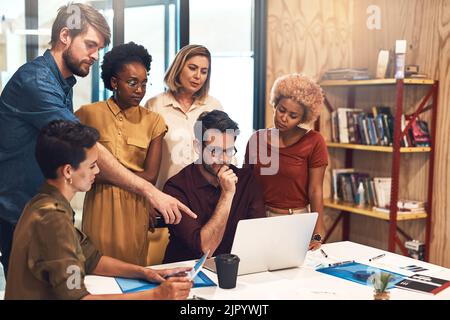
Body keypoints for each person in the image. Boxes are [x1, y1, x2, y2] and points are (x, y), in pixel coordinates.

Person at [0, 3, 195, 276]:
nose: (95, 55)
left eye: (98, 48)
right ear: (65, 36)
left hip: (46, 213)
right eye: (90, 45)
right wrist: (151, 192)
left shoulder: (62, 84)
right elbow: (84, 145)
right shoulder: (36, 82)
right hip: (19, 215)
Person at [5, 120, 192, 300]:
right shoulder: (52, 218)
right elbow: (78, 299)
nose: (97, 171)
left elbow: (91, 259)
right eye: (92, 165)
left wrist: (145, 272)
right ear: (68, 171)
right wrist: (157, 295)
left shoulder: (44, 203)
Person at [76, 42, 167, 265]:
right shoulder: (87, 115)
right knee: (94, 269)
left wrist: (101, 171)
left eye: (144, 83)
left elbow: (151, 176)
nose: (140, 90)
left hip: (135, 208)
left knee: (132, 276)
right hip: (99, 205)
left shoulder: (154, 121)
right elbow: (77, 165)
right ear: (114, 82)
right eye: (132, 82)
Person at [162, 110, 266, 263]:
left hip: (234, 270)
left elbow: (259, 236)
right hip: (189, 273)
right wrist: (227, 195)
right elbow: (205, 249)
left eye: (229, 151)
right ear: (198, 147)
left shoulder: (246, 180)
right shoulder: (176, 187)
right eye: (215, 151)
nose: (224, 159)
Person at [244, 74, 328, 250]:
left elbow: (315, 190)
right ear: (275, 104)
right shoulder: (256, 140)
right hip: (259, 219)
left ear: (303, 118)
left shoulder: (314, 142)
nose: (284, 118)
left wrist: (318, 233)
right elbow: (246, 185)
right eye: (282, 110)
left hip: (296, 221)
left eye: (293, 115)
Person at [145, 44, 223, 189]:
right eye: (192, 68)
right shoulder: (155, 105)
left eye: (204, 71)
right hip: (165, 196)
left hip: (206, 196)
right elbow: (143, 160)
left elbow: (225, 152)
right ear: (178, 67)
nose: (198, 76)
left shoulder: (214, 106)